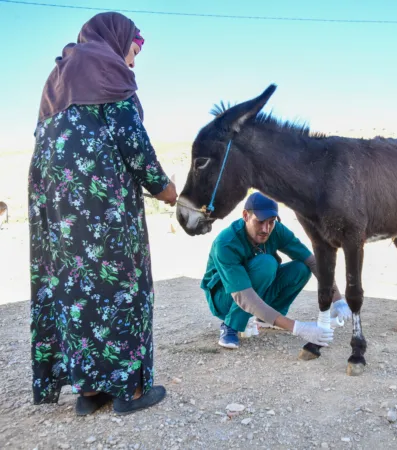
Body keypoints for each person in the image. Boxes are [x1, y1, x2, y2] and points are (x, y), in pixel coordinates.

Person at [28, 12, 177, 416]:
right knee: (120, 286)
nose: (134, 57)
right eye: (135, 47)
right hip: (104, 210)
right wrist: (165, 188)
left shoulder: (57, 78)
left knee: (75, 288)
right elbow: (132, 141)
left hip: (58, 211)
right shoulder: (108, 70)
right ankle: (129, 393)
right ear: (119, 38)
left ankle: (89, 393)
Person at [200, 192, 352, 349]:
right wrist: (298, 327)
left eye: (271, 222)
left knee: (301, 268)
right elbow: (243, 296)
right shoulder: (226, 243)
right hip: (225, 298)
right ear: (245, 216)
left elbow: (312, 261)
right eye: (260, 222)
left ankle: (266, 319)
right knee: (266, 264)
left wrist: (338, 300)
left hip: (257, 290)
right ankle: (231, 325)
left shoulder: (276, 230)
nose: (266, 229)